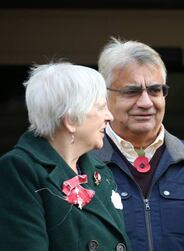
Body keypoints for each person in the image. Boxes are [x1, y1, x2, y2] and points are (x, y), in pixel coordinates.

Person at [92, 37, 184, 251]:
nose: (145, 102)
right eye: (131, 91)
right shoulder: (82, 162)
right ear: (104, 96)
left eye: (154, 90)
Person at [0, 62, 131, 251]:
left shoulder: (100, 171)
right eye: (101, 107)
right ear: (71, 120)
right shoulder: (19, 170)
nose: (109, 116)